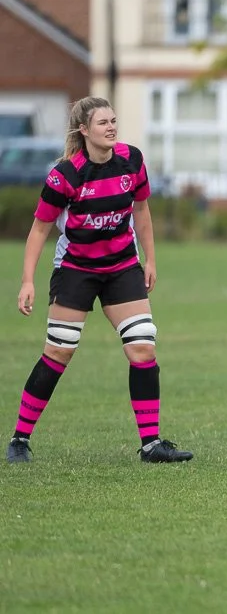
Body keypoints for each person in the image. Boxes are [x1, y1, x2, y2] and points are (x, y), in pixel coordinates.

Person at [7, 97, 192, 464]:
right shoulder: (66, 175)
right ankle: (19, 439)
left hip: (122, 266)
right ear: (84, 130)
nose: (111, 127)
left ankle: (151, 444)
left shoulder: (132, 161)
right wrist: (28, 280)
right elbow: (39, 231)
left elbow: (141, 210)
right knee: (60, 350)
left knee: (143, 345)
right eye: (103, 122)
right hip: (76, 269)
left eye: (114, 120)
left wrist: (149, 259)